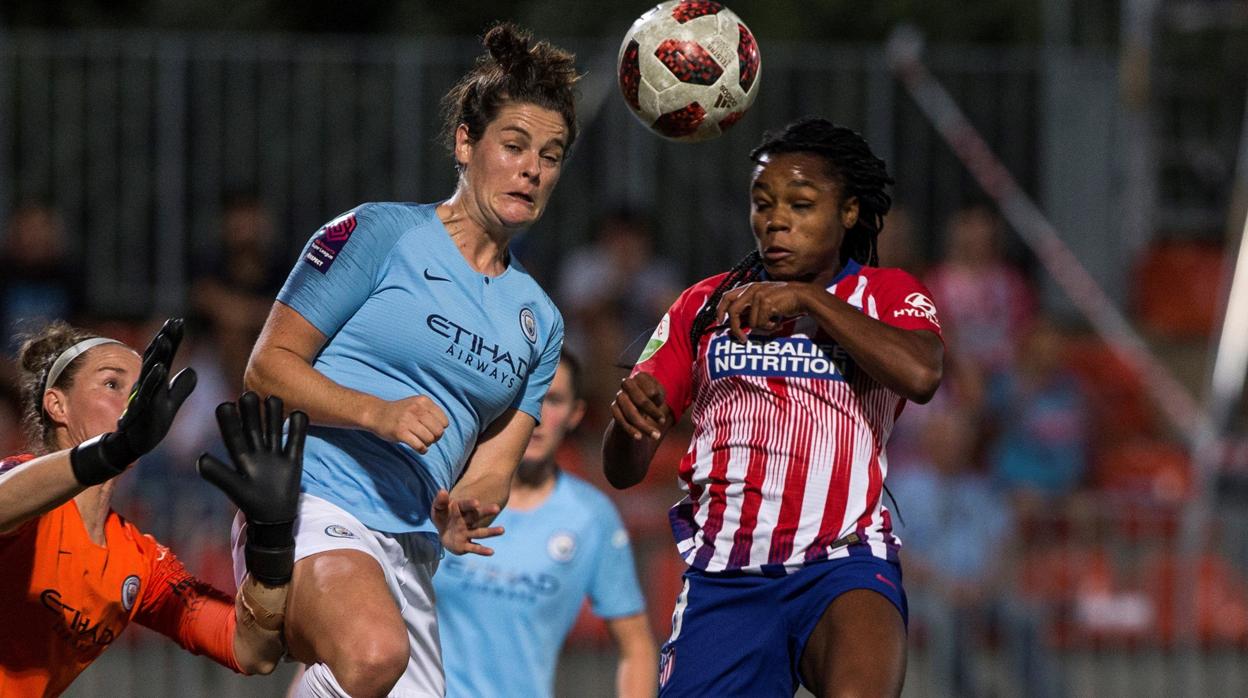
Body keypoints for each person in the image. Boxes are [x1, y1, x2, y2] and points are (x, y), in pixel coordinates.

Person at [244, 22, 576, 698]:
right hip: (309, 497)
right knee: (370, 652)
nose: (532, 169)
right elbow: (267, 369)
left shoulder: (540, 320)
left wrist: (471, 505)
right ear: (465, 143)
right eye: (513, 145)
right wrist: (376, 412)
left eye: (551, 154)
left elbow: (496, 466)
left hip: (412, 543)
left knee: (376, 659)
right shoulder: (379, 233)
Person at [603, 118, 944, 697]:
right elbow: (623, 468)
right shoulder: (702, 305)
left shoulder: (884, 295)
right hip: (727, 575)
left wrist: (809, 298)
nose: (775, 219)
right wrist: (630, 417)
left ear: (849, 213)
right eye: (762, 203)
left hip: (843, 563)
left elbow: (922, 372)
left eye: (801, 204)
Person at [0, 318, 307, 696]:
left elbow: (249, 650)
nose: (133, 404)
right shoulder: (18, 482)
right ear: (57, 405)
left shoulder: (139, 561)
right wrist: (113, 449)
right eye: (112, 384)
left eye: (140, 390)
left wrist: (271, 541)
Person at [435, 349, 656, 698]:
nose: (537, 415)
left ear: (575, 414)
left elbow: (637, 646)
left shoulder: (591, 516)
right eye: (527, 399)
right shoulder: (448, 495)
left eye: (553, 400)